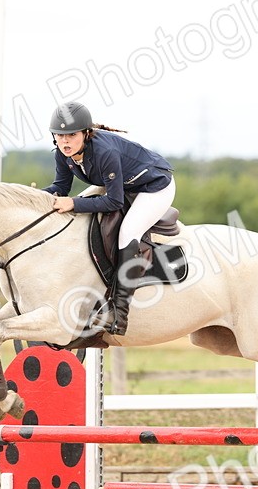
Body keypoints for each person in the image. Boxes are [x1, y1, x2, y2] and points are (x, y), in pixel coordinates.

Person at [42, 101, 175, 336]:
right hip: (123, 185)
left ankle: (119, 313)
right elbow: (61, 187)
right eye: (60, 135)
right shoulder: (64, 154)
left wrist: (73, 203)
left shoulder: (104, 152)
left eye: (71, 135)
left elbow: (114, 201)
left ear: (85, 133)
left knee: (128, 232)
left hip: (154, 186)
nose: (65, 141)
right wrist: (34, 199)